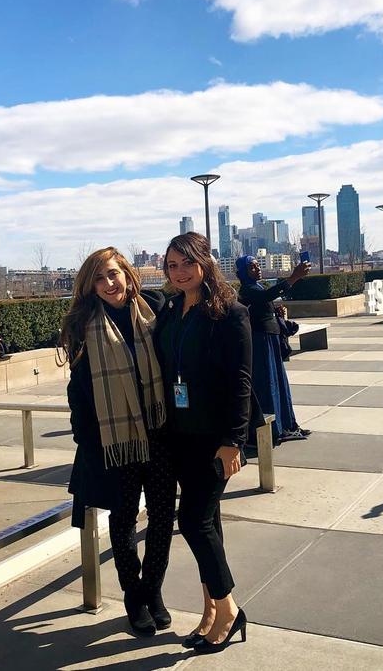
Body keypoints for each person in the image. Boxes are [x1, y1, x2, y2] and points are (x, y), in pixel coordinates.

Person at [60, 247, 176, 636]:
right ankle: (133, 595)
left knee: (162, 516)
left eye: (114, 274)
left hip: (159, 432)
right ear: (90, 285)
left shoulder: (155, 309)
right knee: (124, 518)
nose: (109, 284)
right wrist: (86, 439)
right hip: (117, 439)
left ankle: (153, 590)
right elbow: (78, 390)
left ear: (127, 273)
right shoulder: (82, 325)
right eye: (99, 277)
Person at [156, 232, 253, 654]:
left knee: (193, 521)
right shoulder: (171, 309)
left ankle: (229, 610)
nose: (179, 273)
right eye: (172, 265)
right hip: (180, 434)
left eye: (187, 264)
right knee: (208, 523)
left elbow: (241, 382)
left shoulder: (229, 313)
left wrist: (233, 441)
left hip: (215, 439)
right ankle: (210, 610)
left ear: (205, 263)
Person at [235, 256, 311, 445]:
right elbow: (266, 296)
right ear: (243, 273)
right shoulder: (248, 289)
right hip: (261, 342)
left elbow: (265, 301)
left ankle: (287, 425)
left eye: (257, 265)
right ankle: (274, 430)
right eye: (252, 267)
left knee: (279, 384)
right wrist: (294, 277)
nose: (257, 269)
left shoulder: (257, 287)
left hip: (270, 340)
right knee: (268, 385)